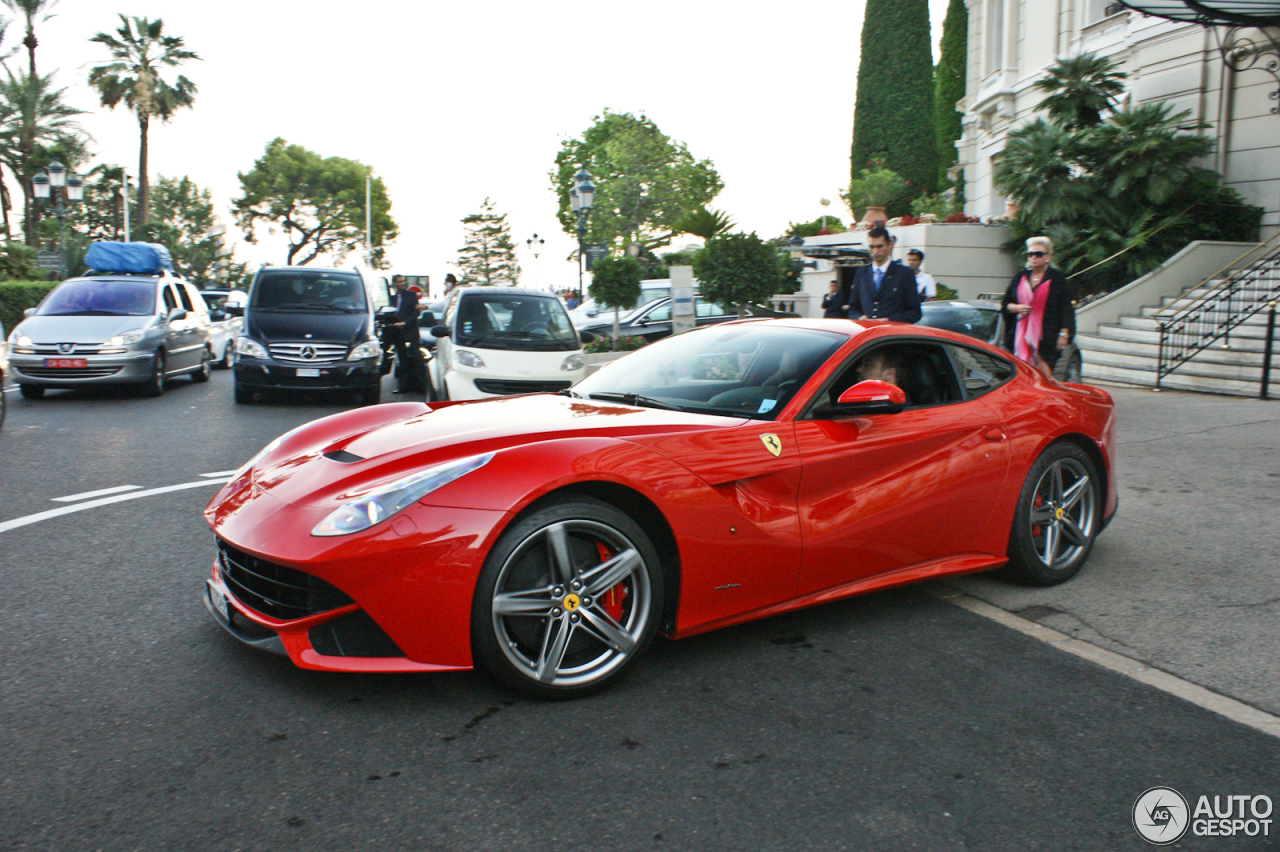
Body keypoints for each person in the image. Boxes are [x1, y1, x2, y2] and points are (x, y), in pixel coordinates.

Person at [1001, 236, 1075, 376]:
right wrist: (1017, 308)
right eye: (1030, 254)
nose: (1034, 257)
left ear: (1047, 257)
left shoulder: (1057, 279)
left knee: (1045, 375)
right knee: (1023, 374)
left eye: (1038, 254)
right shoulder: (1020, 277)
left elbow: (1066, 308)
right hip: (1020, 336)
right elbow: (1005, 304)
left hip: (1047, 337)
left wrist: (1064, 334)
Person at [847, 227, 922, 324]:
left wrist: (889, 320)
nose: (875, 251)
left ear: (890, 245)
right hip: (868, 335)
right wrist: (859, 317)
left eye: (879, 246)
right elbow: (852, 308)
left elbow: (915, 313)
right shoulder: (861, 273)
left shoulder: (904, 273)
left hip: (892, 336)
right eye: (871, 247)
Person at [390, 274, 424, 394]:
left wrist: (405, 323)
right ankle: (403, 387)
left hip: (410, 331)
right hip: (397, 332)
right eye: (399, 282)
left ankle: (423, 387)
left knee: (417, 359)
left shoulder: (411, 295)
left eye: (402, 281)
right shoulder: (391, 299)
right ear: (394, 283)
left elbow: (416, 313)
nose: (401, 283)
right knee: (402, 361)